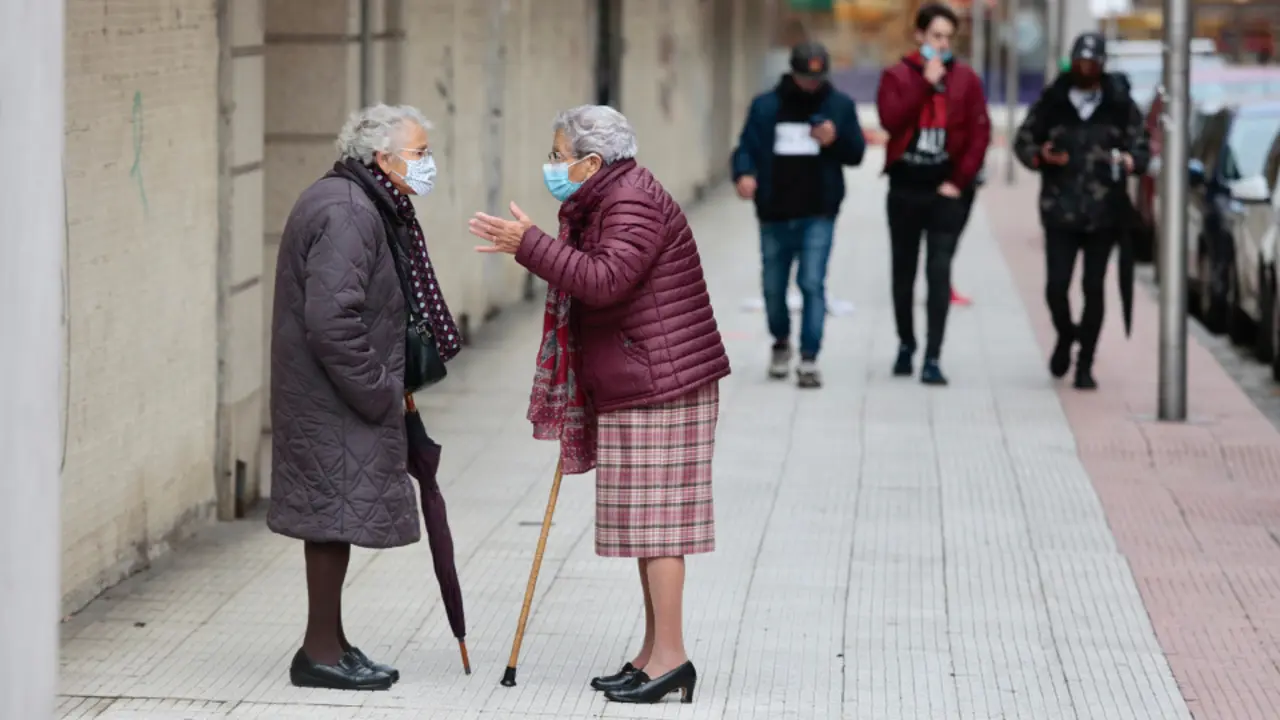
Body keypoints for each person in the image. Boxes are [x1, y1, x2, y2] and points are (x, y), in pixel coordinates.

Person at [468, 105, 730, 705]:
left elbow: (606, 279)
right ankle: (653, 651)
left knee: (661, 527)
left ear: (592, 161)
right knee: (645, 524)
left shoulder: (629, 199)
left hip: (664, 382)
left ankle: (673, 657)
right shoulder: (606, 197)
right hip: (642, 376)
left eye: (560, 155)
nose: (553, 165)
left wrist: (527, 245)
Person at [268, 104, 461, 690]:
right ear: (383, 157)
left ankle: (329, 641)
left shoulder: (361, 201)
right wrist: (379, 390)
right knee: (329, 516)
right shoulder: (350, 211)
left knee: (333, 513)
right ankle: (319, 653)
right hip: (332, 397)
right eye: (420, 153)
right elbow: (330, 320)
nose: (427, 164)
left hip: (331, 394)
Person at [1014, 32, 1149, 390]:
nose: (1085, 68)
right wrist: (1040, 156)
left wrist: (1131, 160)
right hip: (1060, 211)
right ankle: (1065, 334)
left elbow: (1142, 147)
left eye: (1092, 63)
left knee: (1094, 287)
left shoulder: (1119, 103)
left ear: (1102, 66)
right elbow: (1023, 140)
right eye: (1079, 62)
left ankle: (1085, 362)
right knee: (1056, 287)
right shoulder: (1053, 100)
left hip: (1105, 214)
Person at [731, 41, 865, 389]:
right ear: (793, 72)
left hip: (818, 213)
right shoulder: (766, 106)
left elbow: (856, 154)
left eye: (817, 78)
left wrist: (834, 141)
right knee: (774, 288)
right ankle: (780, 342)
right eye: (805, 77)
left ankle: (809, 358)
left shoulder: (839, 106)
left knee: (811, 283)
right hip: (774, 214)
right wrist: (743, 173)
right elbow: (746, 146)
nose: (811, 84)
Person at [876, 2, 991, 386]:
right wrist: (925, 82)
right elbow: (891, 121)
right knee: (902, 272)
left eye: (948, 37)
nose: (943, 44)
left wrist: (958, 182)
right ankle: (906, 343)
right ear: (920, 36)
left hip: (946, 191)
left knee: (939, 272)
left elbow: (980, 133)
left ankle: (933, 356)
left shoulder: (966, 79)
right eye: (936, 36)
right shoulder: (897, 75)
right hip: (906, 187)